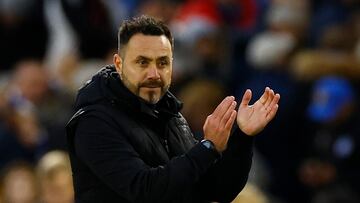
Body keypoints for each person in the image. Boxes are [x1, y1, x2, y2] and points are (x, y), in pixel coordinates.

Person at [66, 15, 280, 203]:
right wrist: (208, 147)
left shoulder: (171, 116)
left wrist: (242, 137)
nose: (154, 74)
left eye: (162, 63)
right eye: (142, 62)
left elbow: (216, 190)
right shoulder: (94, 121)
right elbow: (144, 190)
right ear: (119, 64)